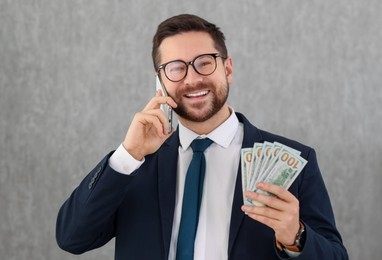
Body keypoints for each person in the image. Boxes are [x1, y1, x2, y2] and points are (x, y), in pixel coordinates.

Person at [56, 14, 348, 260]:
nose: (192, 79)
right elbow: (72, 239)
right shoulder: (135, 164)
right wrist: (127, 155)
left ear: (228, 68)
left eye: (204, 62)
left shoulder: (298, 161)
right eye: (176, 68)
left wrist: (295, 236)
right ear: (161, 81)